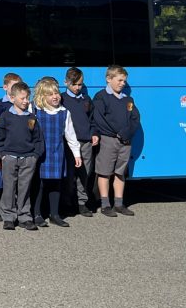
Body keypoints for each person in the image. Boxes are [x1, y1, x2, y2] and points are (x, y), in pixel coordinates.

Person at [0, 81, 44, 232]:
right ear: (12, 98)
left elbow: (38, 139)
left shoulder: (31, 117)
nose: (25, 101)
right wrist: (2, 153)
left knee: (24, 188)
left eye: (27, 98)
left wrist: (35, 155)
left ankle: (25, 216)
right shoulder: (6, 116)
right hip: (9, 157)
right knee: (9, 188)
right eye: (22, 98)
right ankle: (8, 217)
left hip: (28, 158)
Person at [32, 76, 82, 228]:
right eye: (50, 94)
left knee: (55, 183)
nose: (55, 97)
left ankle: (55, 214)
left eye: (56, 93)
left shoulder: (64, 112)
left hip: (57, 152)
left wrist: (77, 154)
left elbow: (70, 134)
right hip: (40, 153)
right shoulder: (35, 111)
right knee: (39, 184)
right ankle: (37, 213)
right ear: (42, 96)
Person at [92, 65, 139, 217]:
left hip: (125, 141)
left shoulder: (128, 99)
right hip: (108, 140)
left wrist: (126, 133)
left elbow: (135, 118)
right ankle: (105, 204)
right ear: (109, 79)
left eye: (124, 81)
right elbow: (99, 119)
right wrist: (117, 133)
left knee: (120, 173)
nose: (122, 84)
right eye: (119, 80)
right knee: (104, 172)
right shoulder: (101, 97)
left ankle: (119, 203)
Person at [62, 67, 95, 216]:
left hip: (86, 141)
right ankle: (67, 201)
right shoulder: (62, 99)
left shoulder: (86, 99)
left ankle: (82, 202)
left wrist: (94, 133)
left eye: (80, 84)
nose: (77, 87)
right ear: (66, 82)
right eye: (74, 84)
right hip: (69, 143)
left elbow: (93, 119)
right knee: (69, 173)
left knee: (85, 173)